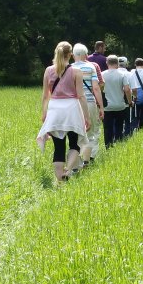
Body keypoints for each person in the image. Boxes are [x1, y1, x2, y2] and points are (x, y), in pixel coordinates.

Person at [37, 41, 90, 183]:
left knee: (58, 147)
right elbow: (81, 96)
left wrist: (44, 113)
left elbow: (45, 95)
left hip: (54, 110)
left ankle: (60, 182)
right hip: (72, 110)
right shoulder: (76, 72)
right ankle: (67, 170)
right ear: (70, 55)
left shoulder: (48, 70)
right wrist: (87, 117)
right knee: (74, 144)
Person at [73, 43, 104, 168]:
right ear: (86, 54)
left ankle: (78, 160)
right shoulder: (91, 67)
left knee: (77, 132)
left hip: (74, 103)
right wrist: (101, 106)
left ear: (73, 55)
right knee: (91, 132)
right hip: (90, 102)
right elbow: (96, 88)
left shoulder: (69, 68)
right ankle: (88, 159)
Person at [102, 54, 132, 147]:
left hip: (107, 106)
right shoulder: (122, 74)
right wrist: (130, 102)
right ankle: (118, 143)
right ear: (117, 63)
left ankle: (108, 145)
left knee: (107, 128)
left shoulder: (102, 74)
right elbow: (127, 89)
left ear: (107, 62)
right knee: (119, 126)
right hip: (120, 105)